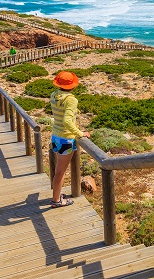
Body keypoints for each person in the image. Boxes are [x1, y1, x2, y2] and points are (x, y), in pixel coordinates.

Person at [49, 71, 90, 207]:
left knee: (58, 171)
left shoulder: (54, 95)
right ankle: (56, 201)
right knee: (60, 173)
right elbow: (67, 121)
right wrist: (79, 133)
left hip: (55, 136)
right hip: (66, 138)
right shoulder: (71, 100)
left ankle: (57, 194)